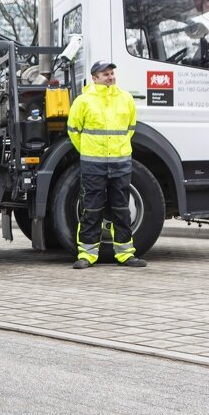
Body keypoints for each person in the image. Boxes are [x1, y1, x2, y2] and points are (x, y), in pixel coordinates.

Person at [66, 61, 148, 269]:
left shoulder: (126, 98)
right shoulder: (83, 101)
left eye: (112, 73)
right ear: (94, 78)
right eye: (105, 74)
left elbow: (130, 128)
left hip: (121, 163)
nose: (111, 77)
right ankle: (87, 255)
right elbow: (74, 131)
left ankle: (126, 254)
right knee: (91, 209)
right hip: (93, 164)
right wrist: (89, 150)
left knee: (121, 209)